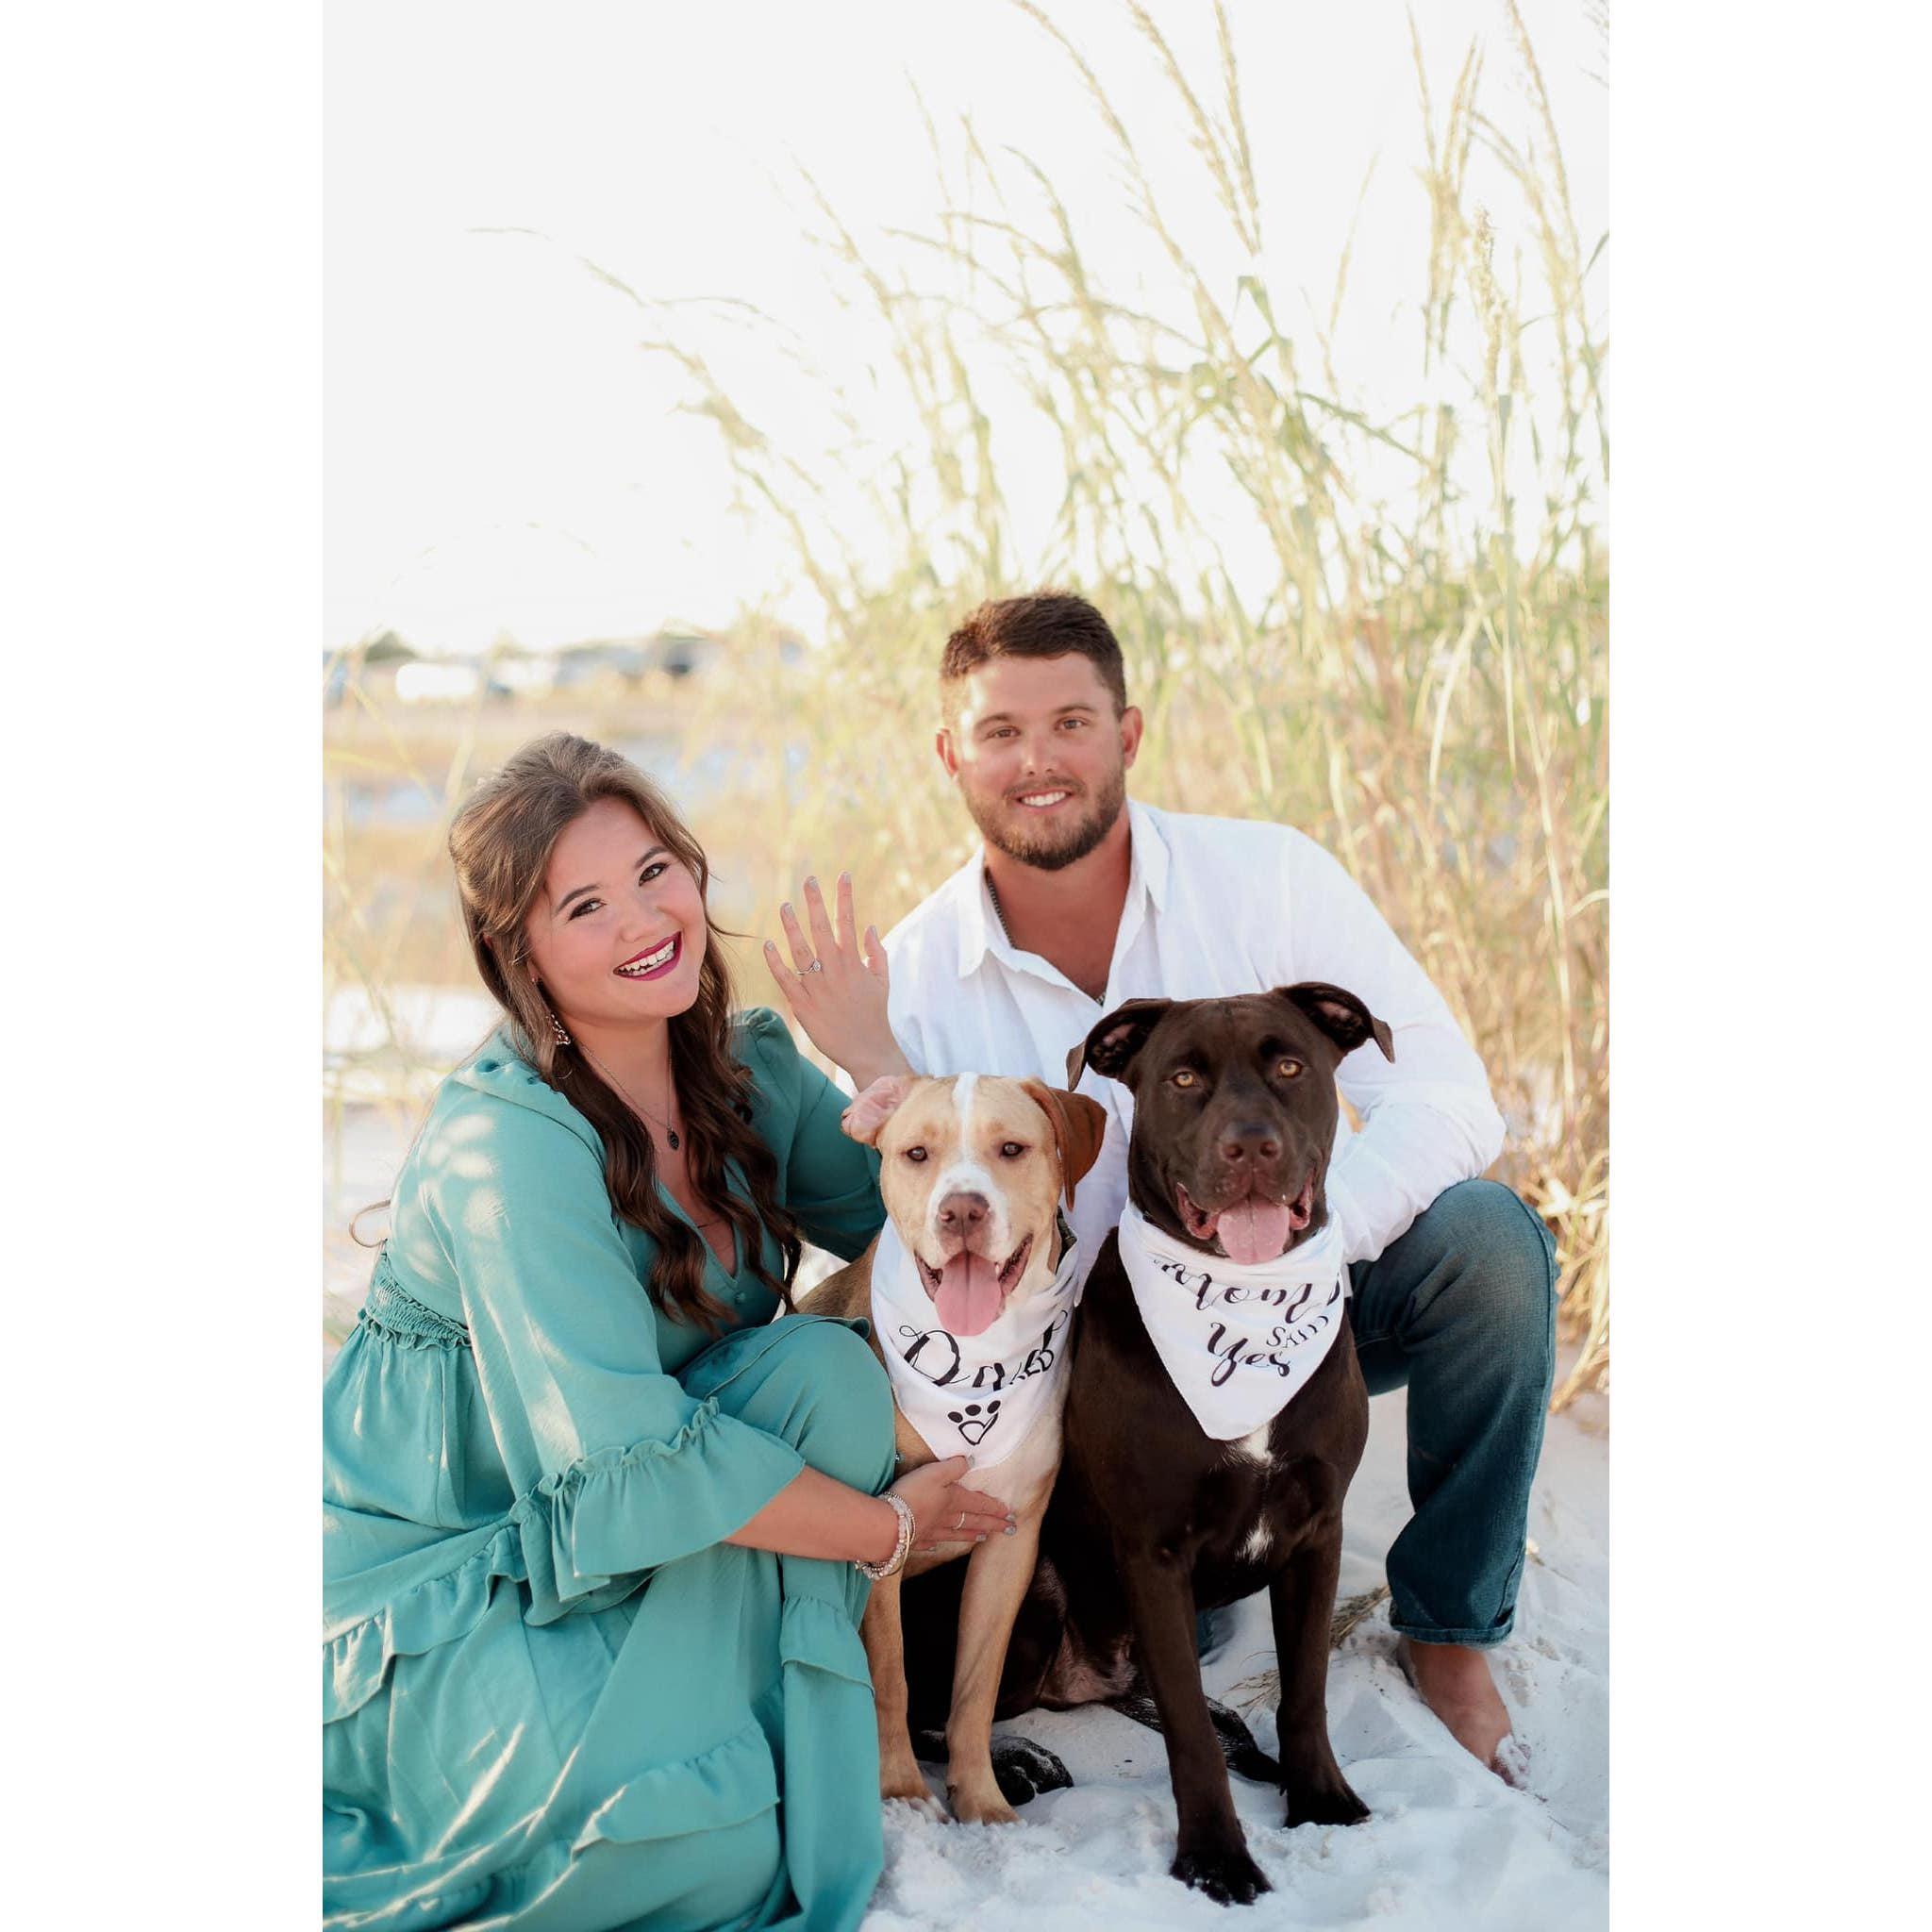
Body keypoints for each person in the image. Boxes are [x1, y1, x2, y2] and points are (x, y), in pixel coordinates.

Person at [767, 592, 1558, 1779]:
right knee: (1164, 1626)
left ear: (1127, 733)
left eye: (1071, 721)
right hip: (1100, 1384)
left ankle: (1447, 1632)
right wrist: (876, 1062)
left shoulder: (1268, 879)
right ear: (950, 755)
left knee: (1490, 1246)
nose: (1036, 760)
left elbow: (1449, 1093)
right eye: (999, 731)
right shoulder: (918, 974)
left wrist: (1291, 1244)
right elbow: (912, 1232)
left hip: (1299, 1301)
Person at [323, 733, 1007, 1932]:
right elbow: (620, 1460)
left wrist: (879, 1060)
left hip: (655, 1521)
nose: (646, 917)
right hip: (469, 1564)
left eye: (654, 871)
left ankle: (726, 1718)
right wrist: (889, 1528)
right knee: (700, 1857)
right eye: (584, 904)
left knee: (824, 1372)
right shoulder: (509, 1147)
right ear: (518, 956)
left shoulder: (740, 1068)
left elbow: (928, 1245)